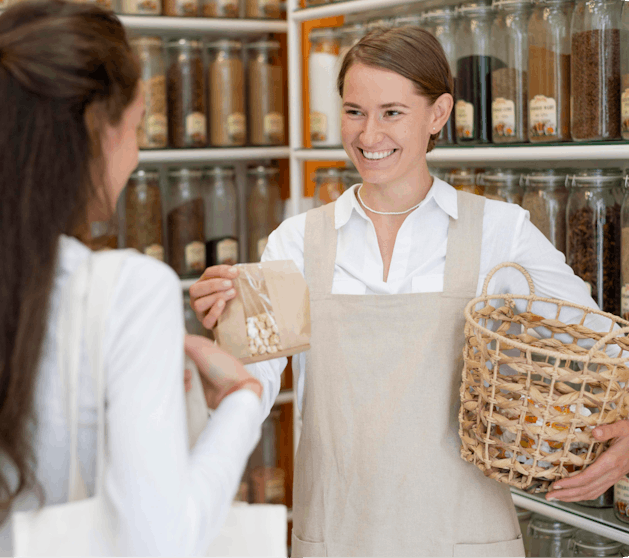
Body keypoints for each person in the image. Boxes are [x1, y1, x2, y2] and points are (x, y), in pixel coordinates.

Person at [190, 26, 629, 557]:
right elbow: (248, 393)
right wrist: (222, 334)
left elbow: (605, 345)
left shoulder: (499, 231)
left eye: (391, 112)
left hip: (466, 541)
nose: (368, 134)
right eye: (354, 111)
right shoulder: (297, 242)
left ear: (439, 114)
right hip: (337, 540)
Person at [0, 1, 264, 555]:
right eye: (137, 126)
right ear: (97, 128)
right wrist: (243, 402)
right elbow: (160, 542)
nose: (139, 153)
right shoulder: (128, 293)